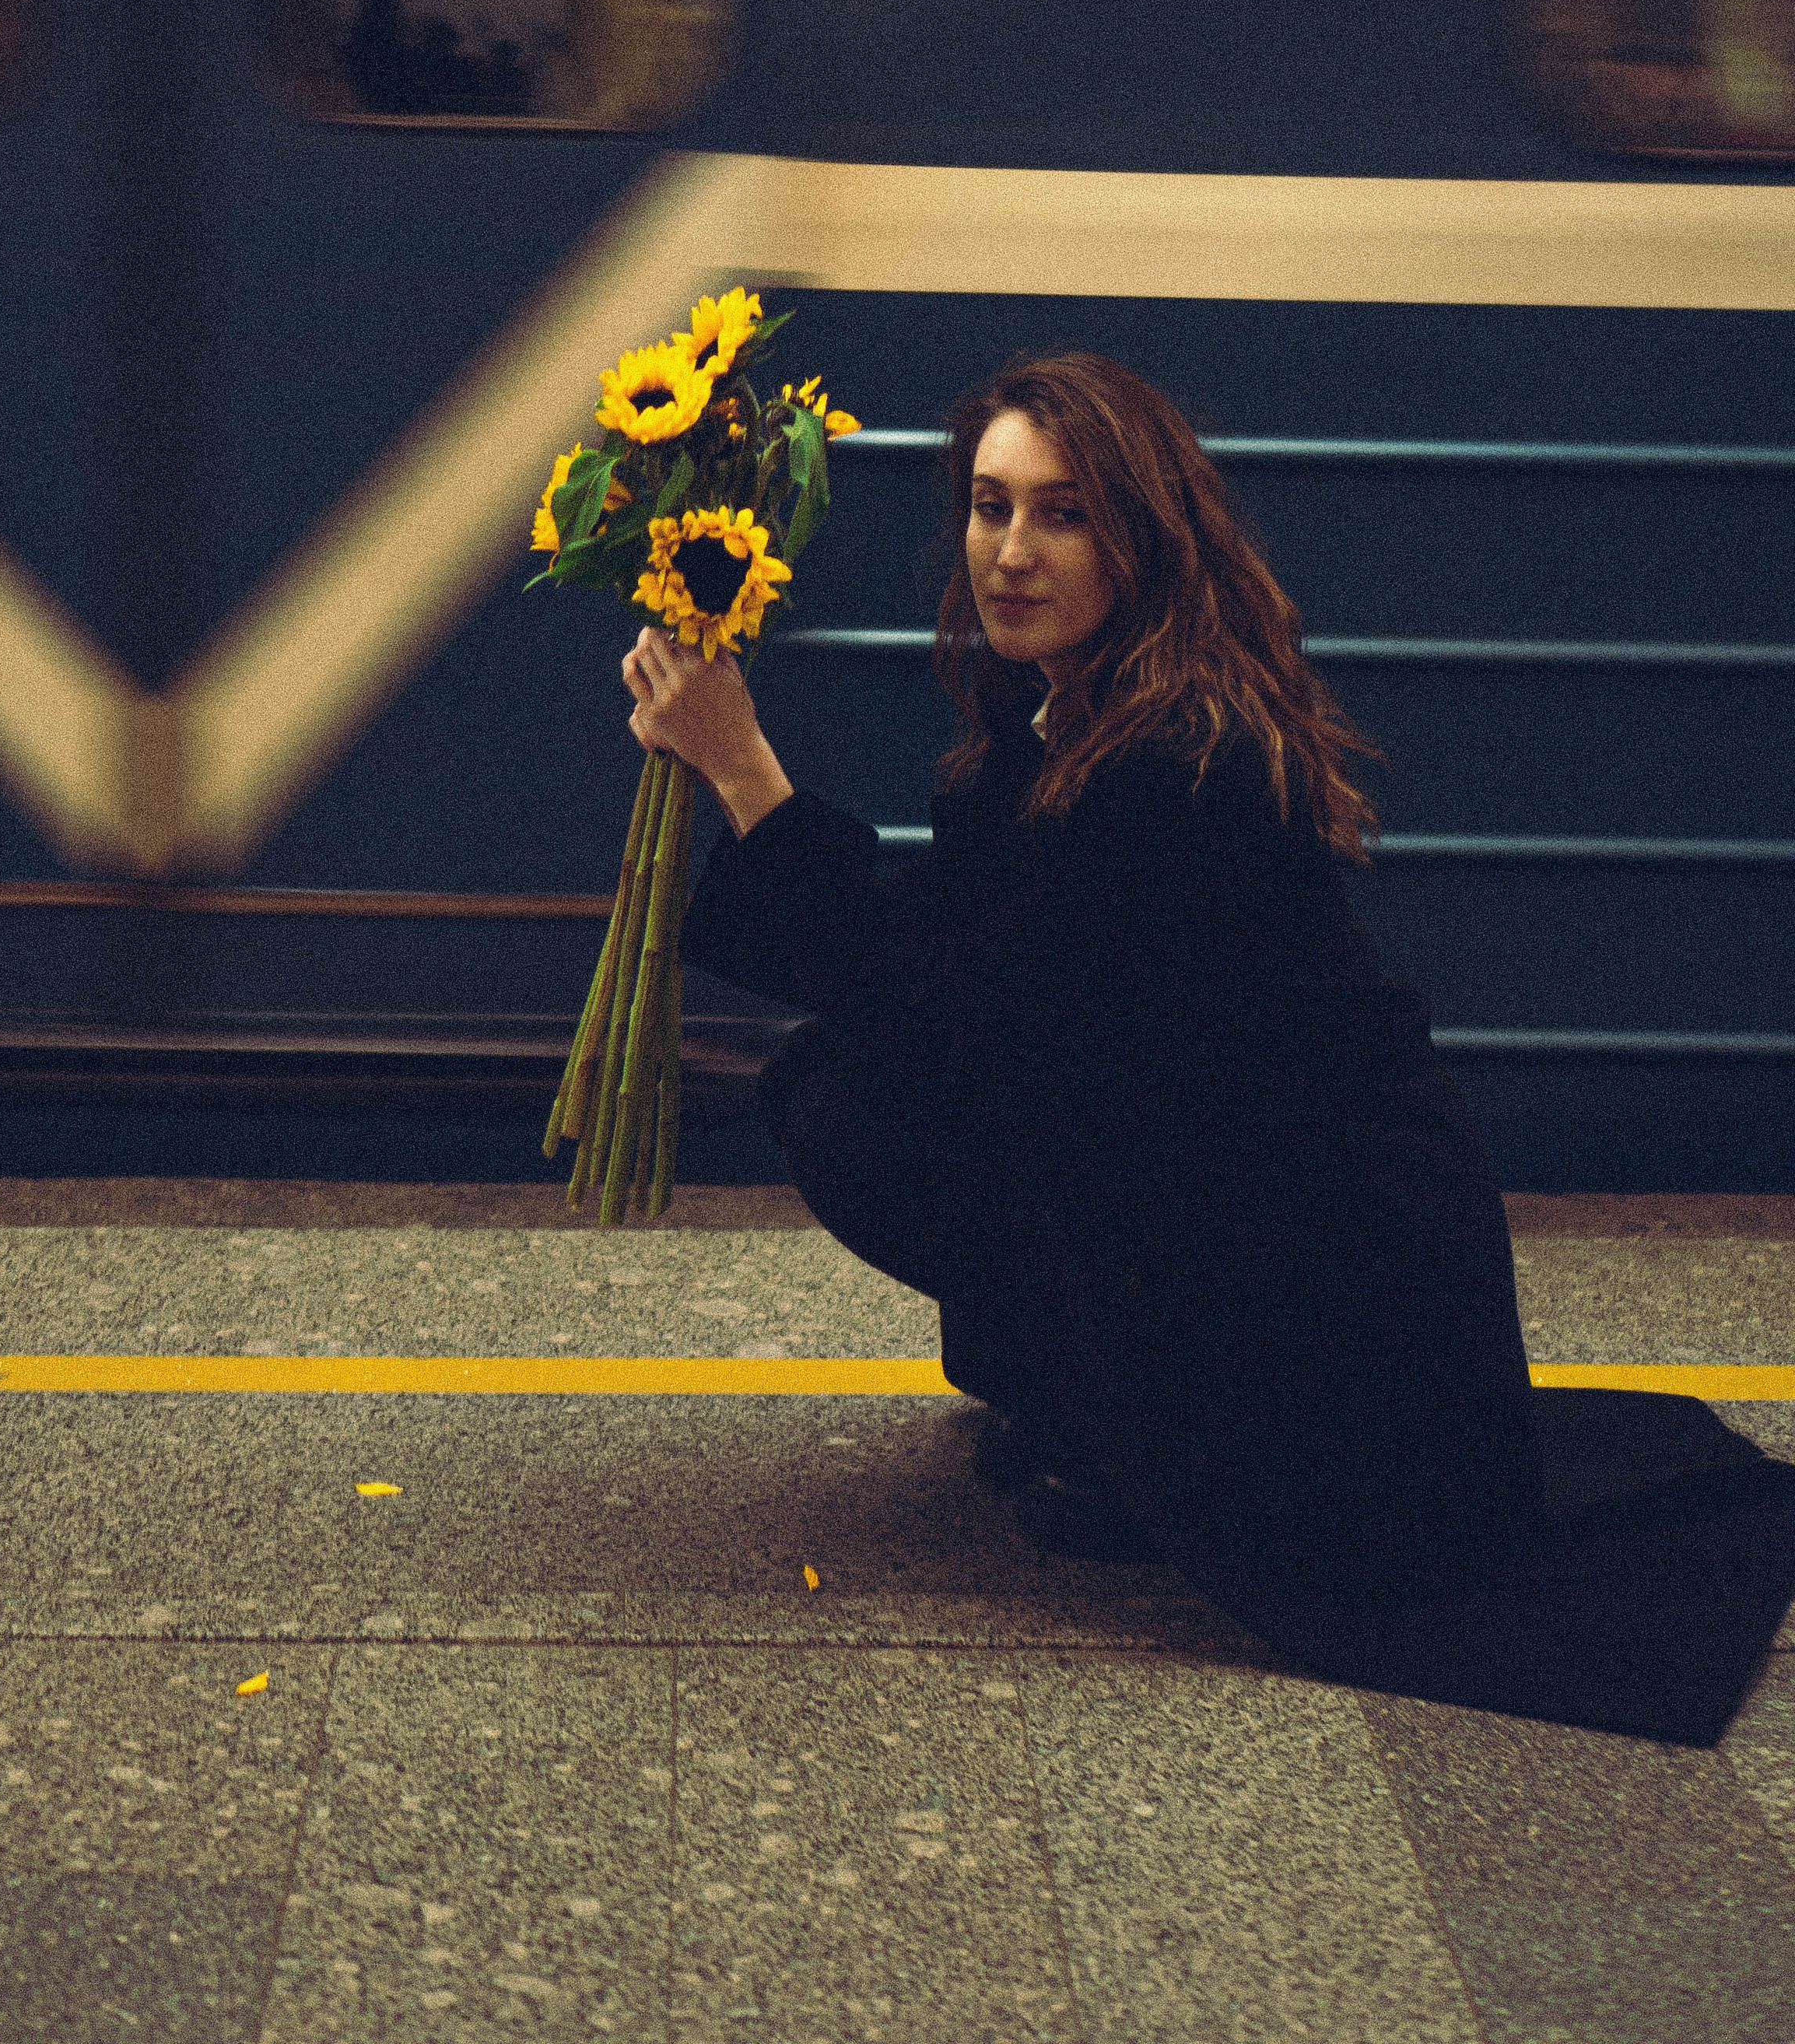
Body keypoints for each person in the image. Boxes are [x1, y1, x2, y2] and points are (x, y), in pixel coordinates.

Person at [622, 349, 1795, 1744]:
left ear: (1146, 539)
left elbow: (967, 1023)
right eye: (989, 508)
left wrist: (749, 773)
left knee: (869, 1100)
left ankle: (1145, 1446)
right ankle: (1099, 1405)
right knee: (855, 1081)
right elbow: (942, 957)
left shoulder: (1178, 766)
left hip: (1328, 1295)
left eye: (1062, 514)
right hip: (1251, 1222)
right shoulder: (1069, 716)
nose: (1009, 552)